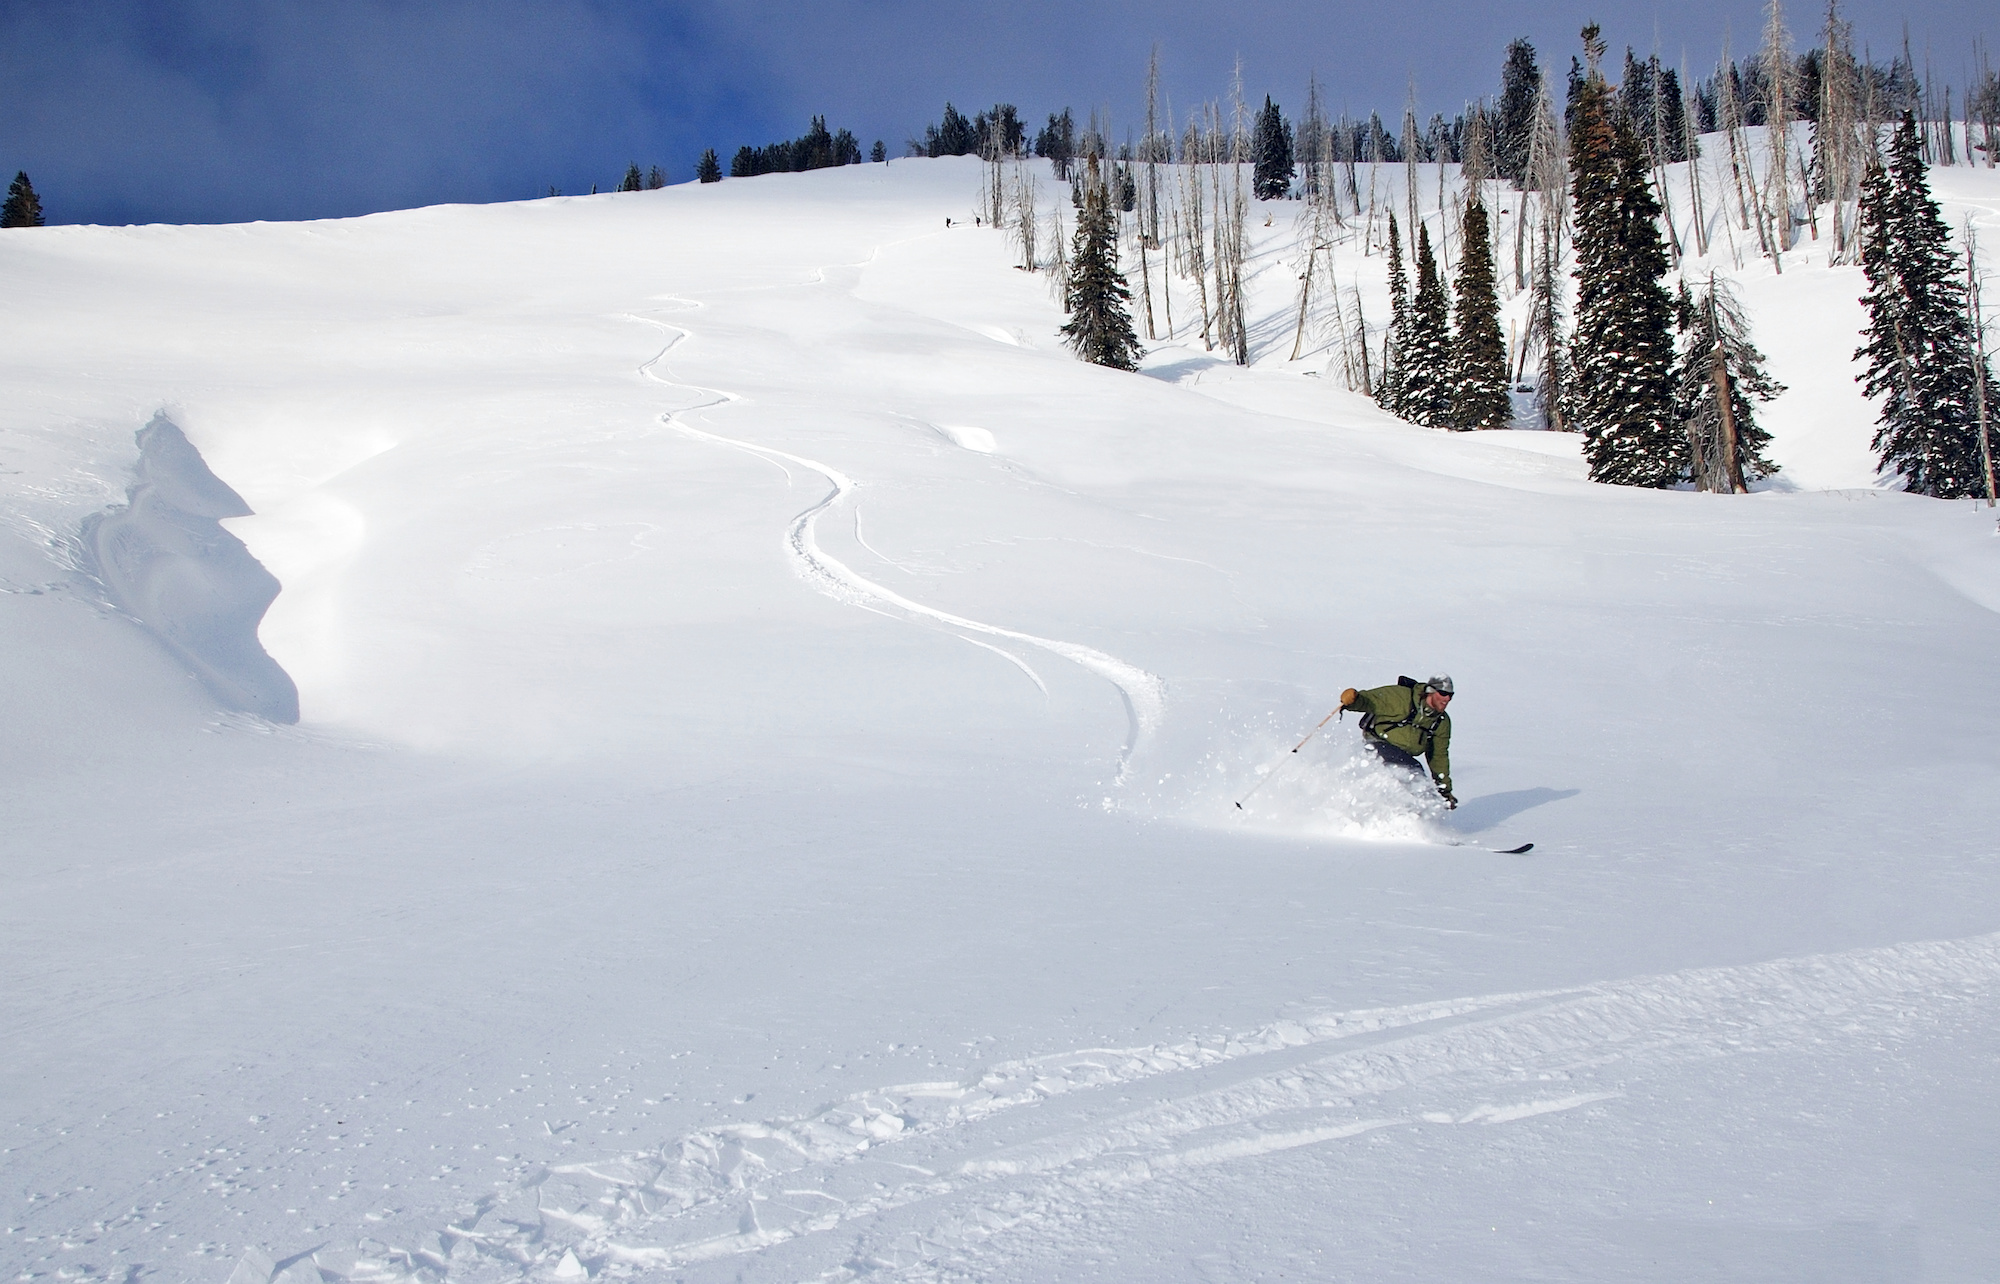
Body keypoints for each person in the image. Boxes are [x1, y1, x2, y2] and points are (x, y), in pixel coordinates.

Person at [1340, 675, 1456, 808]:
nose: (1447, 699)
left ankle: (1412, 818)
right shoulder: (1401, 698)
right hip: (1378, 744)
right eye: (1443, 693)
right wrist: (1354, 700)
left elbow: (1438, 756)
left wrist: (1444, 791)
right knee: (1414, 775)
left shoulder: (1441, 721)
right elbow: (1372, 701)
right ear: (1430, 690)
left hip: (1403, 756)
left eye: (1450, 695)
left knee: (1416, 779)